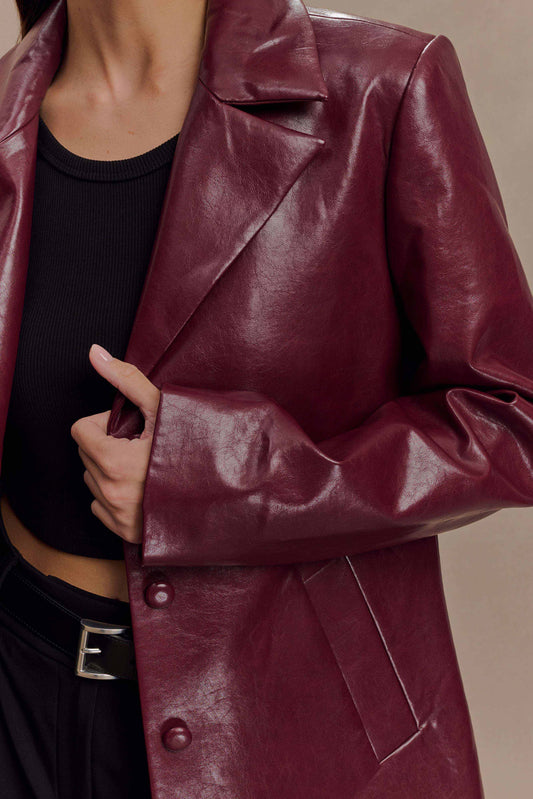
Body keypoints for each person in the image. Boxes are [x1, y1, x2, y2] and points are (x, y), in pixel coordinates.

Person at [1, 1, 532, 797]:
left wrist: (215, 479)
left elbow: (509, 415)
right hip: (16, 687)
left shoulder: (378, 88)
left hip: (275, 724)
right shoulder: (8, 108)